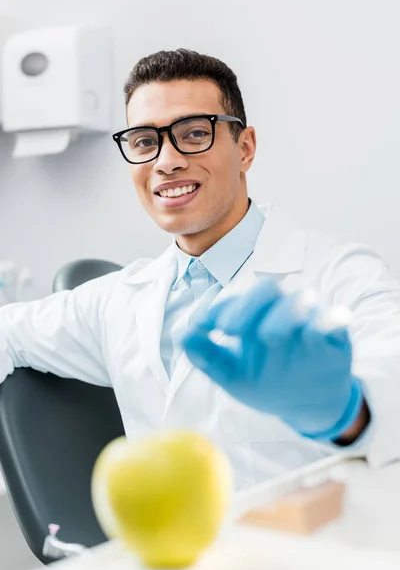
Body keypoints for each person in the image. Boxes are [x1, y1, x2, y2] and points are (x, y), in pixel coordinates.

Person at [1, 48, 400, 490]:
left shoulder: (341, 275)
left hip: (319, 549)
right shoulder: (117, 300)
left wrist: (344, 410)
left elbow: (393, 381)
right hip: (173, 555)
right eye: (145, 142)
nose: (166, 161)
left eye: (193, 134)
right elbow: (9, 333)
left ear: (245, 148)